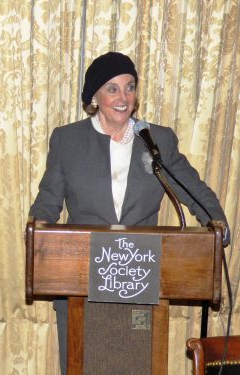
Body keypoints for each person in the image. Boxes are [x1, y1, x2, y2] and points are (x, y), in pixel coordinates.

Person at [29, 51, 230, 374]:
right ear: (94, 96)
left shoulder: (155, 139)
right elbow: (48, 200)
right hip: (81, 284)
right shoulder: (67, 140)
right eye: (112, 89)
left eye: (130, 87)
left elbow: (192, 187)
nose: (123, 98)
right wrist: (37, 231)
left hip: (141, 283)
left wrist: (216, 222)